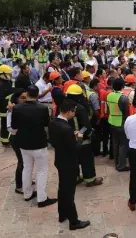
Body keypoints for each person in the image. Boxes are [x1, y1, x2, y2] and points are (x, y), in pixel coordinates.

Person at [11, 85, 57, 207]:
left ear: (26, 94)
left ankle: (27, 194)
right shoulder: (42, 108)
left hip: (23, 143)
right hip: (38, 143)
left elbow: (14, 126)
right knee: (42, 170)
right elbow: (47, 124)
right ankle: (41, 198)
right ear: (37, 95)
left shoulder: (17, 108)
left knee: (27, 168)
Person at [49, 99, 91, 231]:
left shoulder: (54, 123)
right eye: (74, 111)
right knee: (69, 193)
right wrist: (79, 138)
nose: (74, 114)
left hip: (60, 160)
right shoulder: (66, 128)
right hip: (69, 163)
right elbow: (75, 148)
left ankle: (63, 214)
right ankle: (74, 221)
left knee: (62, 189)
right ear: (68, 112)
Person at [65, 84, 103, 187]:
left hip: (68, 138)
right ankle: (90, 180)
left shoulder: (63, 105)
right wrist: (89, 133)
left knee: (73, 160)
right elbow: (86, 126)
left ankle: (75, 178)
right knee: (87, 160)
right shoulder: (80, 108)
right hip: (82, 139)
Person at [107, 78, 130, 172]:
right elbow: (126, 113)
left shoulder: (109, 95)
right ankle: (121, 165)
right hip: (121, 123)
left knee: (115, 143)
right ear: (122, 86)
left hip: (112, 121)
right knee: (123, 145)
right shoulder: (123, 98)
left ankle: (117, 162)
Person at [7, 89, 28, 193]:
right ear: (17, 98)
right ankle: (19, 185)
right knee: (22, 161)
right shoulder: (12, 110)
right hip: (16, 138)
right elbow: (10, 128)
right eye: (22, 98)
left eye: (26, 97)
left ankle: (26, 179)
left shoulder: (24, 108)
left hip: (24, 137)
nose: (24, 100)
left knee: (27, 161)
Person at [0, 64, 14, 146]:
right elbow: (0, 99)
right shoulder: (1, 85)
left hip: (8, 108)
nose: (10, 75)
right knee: (4, 125)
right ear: (3, 74)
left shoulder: (6, 82)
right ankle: (5, 140)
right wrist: (8, 104)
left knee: (7, 123)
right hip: (4, 109)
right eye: (8, 73)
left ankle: (7, 138)